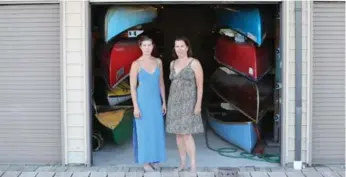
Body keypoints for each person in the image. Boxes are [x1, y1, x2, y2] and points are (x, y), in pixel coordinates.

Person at [166, 36, 205, 173]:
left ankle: (193, 164)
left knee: (187, 134)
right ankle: (182, 163)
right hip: (174, 102)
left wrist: (198, 104)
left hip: (189, 102)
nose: (179, 49)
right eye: (177, 46)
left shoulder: (194, 63)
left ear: (187, 47)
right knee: (178, 134)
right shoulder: (172, 63)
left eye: (182, 46)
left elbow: (200, 86)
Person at [129, 35, 166, 172]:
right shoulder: (136, 64)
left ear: (153, 46)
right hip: (142, 102)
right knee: (144, 132)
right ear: (140, 47)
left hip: (156, 101)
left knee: (156, 131)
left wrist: (164, 102)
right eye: (144, 45)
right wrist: (136, 106)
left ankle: (154, 159)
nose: (147, 48)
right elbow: (132, 87)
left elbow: (161, 83)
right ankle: (145, 161)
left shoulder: (158, 62)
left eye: (149, 45)